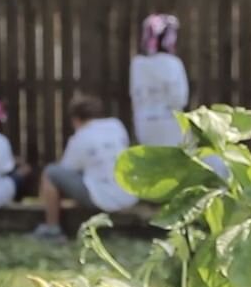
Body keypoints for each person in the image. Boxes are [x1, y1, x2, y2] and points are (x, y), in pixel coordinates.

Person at [32, 95, 137, 240]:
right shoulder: (116, 125)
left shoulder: (80, 138)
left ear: (75, 119)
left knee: (50, 173)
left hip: (102, 199)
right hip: (130, 195)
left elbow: (67, 169)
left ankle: (52, 228)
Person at [130, 14, 188, 147]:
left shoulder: (137, 63)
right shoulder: (173, 63)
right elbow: (180, 98)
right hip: (169, 121)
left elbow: (135, 95)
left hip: (143, 122)